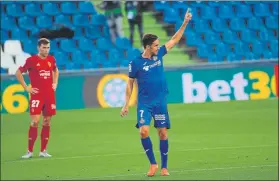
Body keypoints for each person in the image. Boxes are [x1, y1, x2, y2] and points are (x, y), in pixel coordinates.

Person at [120, 9, 192, 176]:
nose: (158, 47)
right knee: (143, 131)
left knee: (162, 132)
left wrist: (185, 22)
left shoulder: (159, 54)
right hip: (144, 102)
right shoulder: (135, 63)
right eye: (155, 45)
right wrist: (125, 105)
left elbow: (174, 40)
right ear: (147, 47)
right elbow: (129, 84)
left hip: (159, 101)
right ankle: (153, 164)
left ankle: (165, 167)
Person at [15, 38, 59, 159]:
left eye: (48, 47)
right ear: (38, 48)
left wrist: (55, 83)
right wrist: (26, 88)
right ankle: (29, 151)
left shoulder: (51, 59)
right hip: (37, 95)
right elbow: (18, 73)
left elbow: (56, 70)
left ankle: (43, 151)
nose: (46, 50)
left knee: (47, 121)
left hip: (49, 95)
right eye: (44, 47)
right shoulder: (31, 60)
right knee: (35, 121)